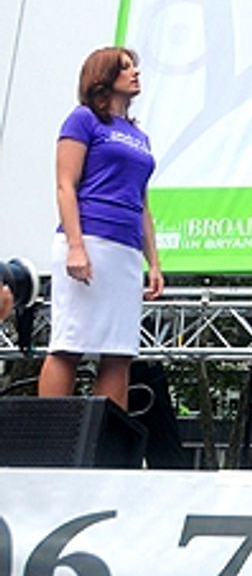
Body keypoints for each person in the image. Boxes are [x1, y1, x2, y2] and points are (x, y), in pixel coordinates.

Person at [39, 47, 164, 409]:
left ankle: (104, 448)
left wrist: (152, 263)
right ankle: (49, 439)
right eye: (125, 68)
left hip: (125, 250)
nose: (135, 73)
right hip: (89, 238)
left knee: (119, 350)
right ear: (103, 77)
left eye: (135, 66)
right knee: (69, 344)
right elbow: (66, 185)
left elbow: (142, 204)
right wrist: (76, 246)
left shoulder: (139, 136)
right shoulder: (82, 120)